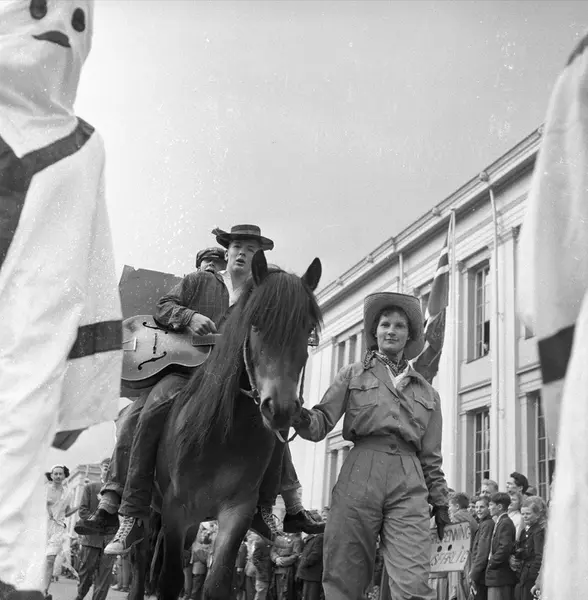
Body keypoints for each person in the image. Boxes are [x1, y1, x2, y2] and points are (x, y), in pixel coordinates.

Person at [77, 225, 321, 553]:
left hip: (235, 380)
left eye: (251, 249)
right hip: (188, 371)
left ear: (259, 257)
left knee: (275, 418)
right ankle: (125, 510)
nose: (242, 253)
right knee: (145, 412)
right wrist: (189, 316)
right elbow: (164, 306)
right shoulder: (198, 281)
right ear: (227, 251)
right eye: (237, 246)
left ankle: (270, 508)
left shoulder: (263, 291)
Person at [0, 3, 123, 598]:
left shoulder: (85, 147)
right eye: (40, 9)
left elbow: (95, 272)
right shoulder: (197, 284)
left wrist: (80, 395)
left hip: (29, 357)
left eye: (78, 21)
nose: (56, 29)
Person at [294, 292, 450, 599]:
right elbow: (320, 422)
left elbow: (431, 456)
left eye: (399, 326)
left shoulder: (428, 392)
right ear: (374, 332)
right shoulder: (352, 374)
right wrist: (297, 415)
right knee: (345, 574)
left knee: (414, 580)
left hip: (409, 480)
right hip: (360, 472)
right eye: (385, 324)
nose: (391, 331)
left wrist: (441, 502)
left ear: (409, 336)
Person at [74, 459, 117, 600]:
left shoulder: (119, 491)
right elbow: (82, 510)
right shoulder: (91, 487)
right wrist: (96, 520)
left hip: (109, 539)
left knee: (104, 577)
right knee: (86, 573)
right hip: (91, 538)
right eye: (106, 467)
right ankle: (80, 595)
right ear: (101, 468)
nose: (108, 471)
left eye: (111, 468)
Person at [44, 466, 78, 600]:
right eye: (56, 474)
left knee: (50, 559)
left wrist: (79, 506)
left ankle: (44, 591)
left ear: (64, 476)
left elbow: (67, 512)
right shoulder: (44, 490)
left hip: (57, 529)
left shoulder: (68, 493)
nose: (58, 476)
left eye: (61, 474)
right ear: (51, 475)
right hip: (42, 527)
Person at [485, 493, 517, 600]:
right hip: (496, 574)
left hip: (500, 575)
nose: (489, 508)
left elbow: (504, 547)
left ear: (499, 506)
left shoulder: (505, 523)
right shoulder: (500, 522)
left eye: (491, 505)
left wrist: (492, 562)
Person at [514, 497, 546, 600]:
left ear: (537, 515)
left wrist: (533, 575)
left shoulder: (538, 532)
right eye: (522, 514)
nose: (524, 516)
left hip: (531, 575)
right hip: (524, 572)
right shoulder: (526, 531)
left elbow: (539, 556)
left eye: (528, 514)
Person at [469, 496, 495, 600]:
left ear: (489, 508)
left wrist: (473, 574)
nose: (478, 510)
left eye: (482, 507)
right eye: (476, 507)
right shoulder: (482, 523)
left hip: (481, 573)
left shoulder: (487, 524)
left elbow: (482, 552)